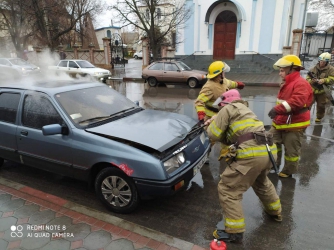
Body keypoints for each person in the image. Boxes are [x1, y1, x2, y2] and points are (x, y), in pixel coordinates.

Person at [205, 89, 281, 243]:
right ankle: (275, 212)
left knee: (228, 188)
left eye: (220, 105)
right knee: (261, 181)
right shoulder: (246, 110)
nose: (219, 108)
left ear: (226, 102)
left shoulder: (227, 109)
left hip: (251, 153)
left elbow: (213, 135)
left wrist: (212, 123)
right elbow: (236, 136)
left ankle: (235, 232)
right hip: (268, 150)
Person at [268, 55, 313, 178]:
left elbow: (297, 101)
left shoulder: (301, 83)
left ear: (292, 69)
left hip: (295, 124)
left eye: (282, 70)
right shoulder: (288, 82)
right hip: (280, 121)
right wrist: (278, 112)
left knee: (291, 151)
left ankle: (288, 171)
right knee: (270, 141)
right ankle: (273, 164)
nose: (279, 73)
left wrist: (277, 109)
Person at [306, 52, 334, 122]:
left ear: (327, 62)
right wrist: (311, 81)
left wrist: (324, 80)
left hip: (323, 91)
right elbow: (307, 78)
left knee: (321, 106)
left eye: (324, 62)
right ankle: (305, 116)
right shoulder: (313, 68)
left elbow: (332, 79)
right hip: (312, 90)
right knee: (307, 104)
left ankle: (319, 117)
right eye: (321, 61)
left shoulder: (331, 69)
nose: (322, 63)